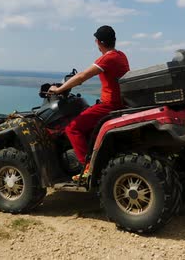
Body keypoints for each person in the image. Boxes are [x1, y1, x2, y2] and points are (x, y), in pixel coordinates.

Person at [49, 25, 130, 181]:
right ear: (114, 40)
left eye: (96, 41)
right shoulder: (121, 55)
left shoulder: (108, 58)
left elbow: (82, 76)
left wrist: (59, 90)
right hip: (122, 103)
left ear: (99, 42)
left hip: (110, 105)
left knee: (72, 128)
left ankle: (87, 168)